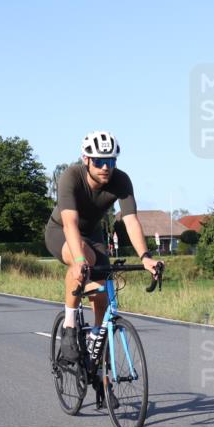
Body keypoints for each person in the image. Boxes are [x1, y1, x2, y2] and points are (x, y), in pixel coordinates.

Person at [44, 131, 161, 406]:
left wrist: (145, 256)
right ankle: (71, 327)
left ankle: (100, 371)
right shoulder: (70, 177)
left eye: (110, 160)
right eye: (99, 161)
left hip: (94, 236)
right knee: (80, 258)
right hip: (61, 232)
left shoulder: (121, 180)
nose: (106, 166)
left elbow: (131, 221)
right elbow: (71, 224)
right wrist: (81, 261)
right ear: (86, 159)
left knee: (104, 296)